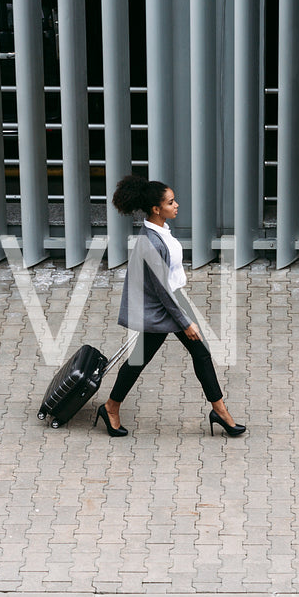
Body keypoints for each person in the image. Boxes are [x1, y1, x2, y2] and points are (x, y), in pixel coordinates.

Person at [96, 175, 247, 438]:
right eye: (171, 202)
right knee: (140, 360)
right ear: (156, 209)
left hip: (169, 304)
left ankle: (220, 411)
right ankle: (110, 407)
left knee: (196, 354)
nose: (176, 205)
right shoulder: (151, 243)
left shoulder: (160, 231)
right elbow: (161, 291)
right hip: (160, 311)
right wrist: (186, 322)